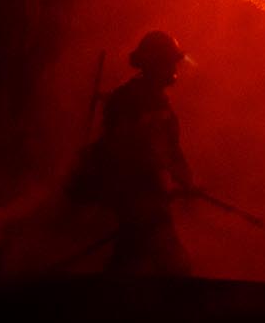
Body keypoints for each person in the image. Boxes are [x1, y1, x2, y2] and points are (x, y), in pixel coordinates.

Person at [69, 30, 196, 274]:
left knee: (131, 258)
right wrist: (149, 181)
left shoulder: (161, 103)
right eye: (168, 62)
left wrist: (185, 179)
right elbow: (118, 149)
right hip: (133, 195)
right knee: (173, 264)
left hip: (148, 195)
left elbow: (171, 149)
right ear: (154, 64)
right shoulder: (126, 100)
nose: (173, 67)